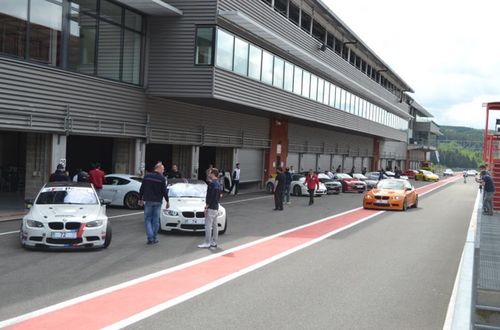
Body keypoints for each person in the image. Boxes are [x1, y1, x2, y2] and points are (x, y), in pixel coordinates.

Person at [139, 162, 169, 245]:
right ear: (158, 168)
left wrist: (140, 199)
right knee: (156, 220)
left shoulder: (147, 176)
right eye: (162, 169)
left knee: (147, 219)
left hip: (148, 201)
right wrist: (167, 201)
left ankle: (150, 237)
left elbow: (142, 189)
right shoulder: (162, 179)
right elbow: (164, 191)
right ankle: (154, 237)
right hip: (158, 201)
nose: (163, 171)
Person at [198, 168, 222, 248]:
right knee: (215, 225)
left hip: (211, 207)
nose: (209, 174)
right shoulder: (218, 184)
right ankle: (214, 242)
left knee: (208, 225)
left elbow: (210, 196)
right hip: (216, 206)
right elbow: (219, 196)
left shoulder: (211, 184)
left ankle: (207, 242)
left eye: (210, 173)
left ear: (213, 174)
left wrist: (206, 206)